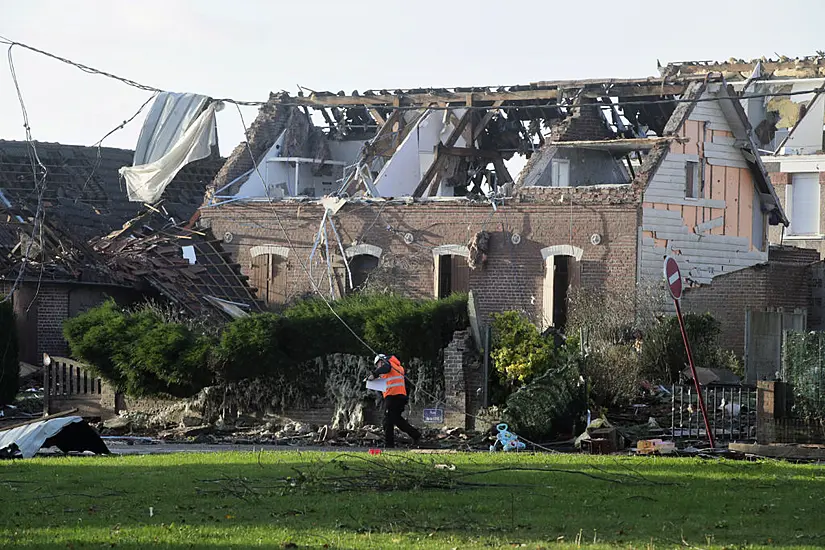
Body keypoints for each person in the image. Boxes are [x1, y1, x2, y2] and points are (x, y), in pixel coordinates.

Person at [369, 354, 421, 448]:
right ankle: (416, 435)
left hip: (393, 397)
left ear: (381, 361)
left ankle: (389, 445)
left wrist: (374, 374)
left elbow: (386, 367)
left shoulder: (388, 364)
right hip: (400, 397)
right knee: (397, 420)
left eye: (378, 365)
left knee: (387, 420)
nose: (378, 367)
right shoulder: (398, 367)